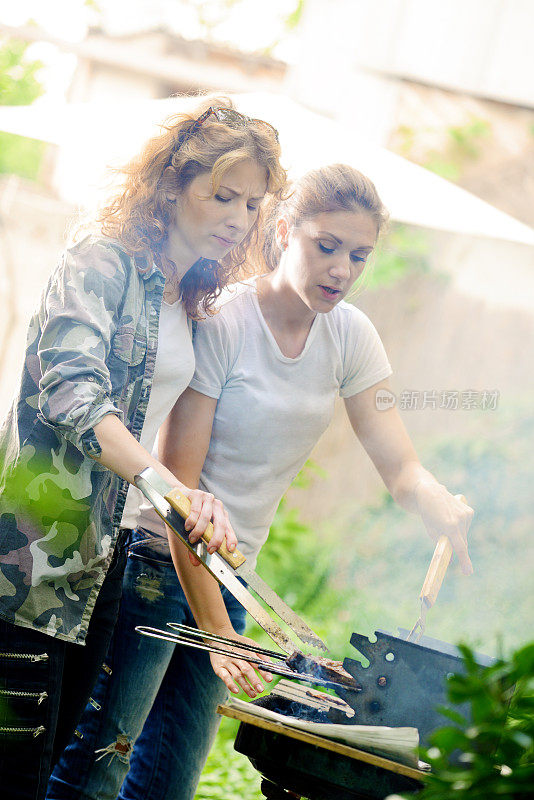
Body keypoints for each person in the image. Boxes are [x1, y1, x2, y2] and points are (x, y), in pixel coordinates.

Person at [48, 164, 473, 800]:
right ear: (283, 232)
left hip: (234, 573)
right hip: (161, 561)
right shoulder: (223, 322)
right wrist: (219, 634)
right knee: (102, 761)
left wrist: (435, 500)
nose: (341, 270)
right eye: (325, 246)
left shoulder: (351, 335)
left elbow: (401, 466)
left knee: (170, 777)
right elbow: (180, 494)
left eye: (359, 255)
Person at [0, 95, 286, 800]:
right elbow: (72, 394)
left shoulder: (185, 297)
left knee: (45, 770)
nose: (239, 218)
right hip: (25, 564)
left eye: (252, 204)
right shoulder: (100, 260)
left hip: (97, 570)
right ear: (171, 184)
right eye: (223, 195)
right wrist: (169, 488)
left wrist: (187, 492)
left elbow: (163, 438)